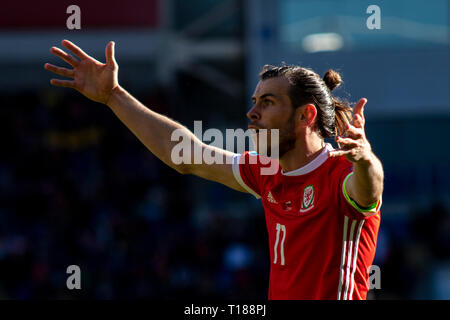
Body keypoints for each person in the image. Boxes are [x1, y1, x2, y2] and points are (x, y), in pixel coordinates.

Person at [44, 40, 384, 300]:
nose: (252, 114)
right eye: (254, 102)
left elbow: (370, 189)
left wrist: (366, 158)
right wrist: (114, 96)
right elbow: (185, 155)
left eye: (267, 103)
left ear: (304, 116)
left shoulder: (341, 173)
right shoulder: (265, 171)